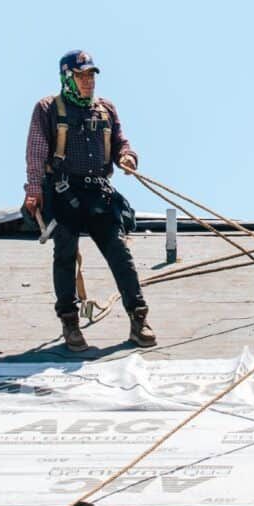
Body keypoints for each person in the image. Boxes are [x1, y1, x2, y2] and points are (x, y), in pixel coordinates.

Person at [22, 50, 156, 352]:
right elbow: (36, 151)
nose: (88, 82)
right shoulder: (48, 109)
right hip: (63, 193)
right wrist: (34, 190)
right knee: (66, 252)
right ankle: (70, 323)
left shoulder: (106, 109)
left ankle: (139, 318)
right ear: (67, 78)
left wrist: (127, 156)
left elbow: (121, 141)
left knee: (120, 254)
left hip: (99, 194)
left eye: (91, 75)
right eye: (81, 76)